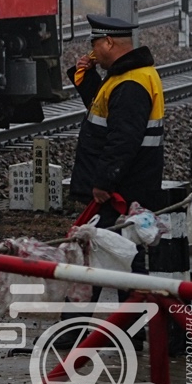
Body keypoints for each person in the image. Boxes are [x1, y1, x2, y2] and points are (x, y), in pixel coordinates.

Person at [69, 13, 166, 249]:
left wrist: (104, 181)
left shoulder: (130, 83)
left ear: (109, 42)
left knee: (117, 253)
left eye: (95, 46)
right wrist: (87, 77)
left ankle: (132, 287)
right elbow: (103, 109)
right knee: (116, 253)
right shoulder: (126, 76)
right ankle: (128, 286)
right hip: (126, 185)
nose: (92, 53)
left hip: (123, 190)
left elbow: (123, 138)